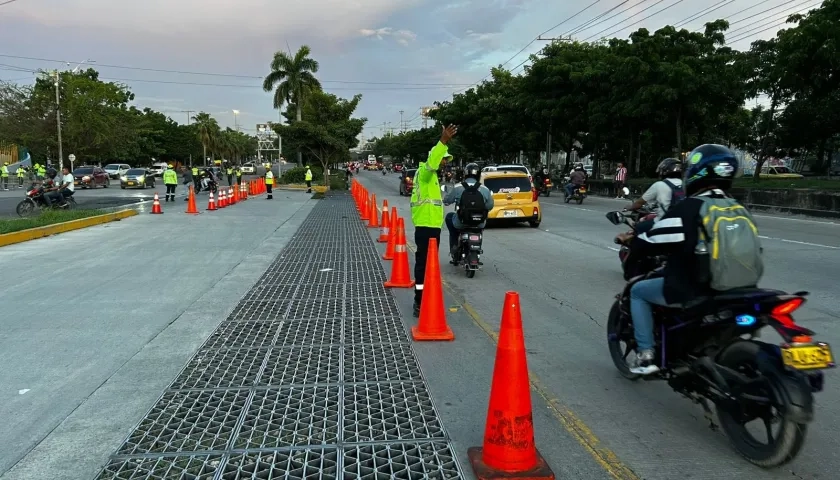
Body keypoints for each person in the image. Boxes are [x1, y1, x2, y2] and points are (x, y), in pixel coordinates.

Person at [617, 144, 749, 375]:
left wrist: (633, 242)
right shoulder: (738, 208)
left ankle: (646, 355)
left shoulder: (691, 208)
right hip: (740, 289)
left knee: (638, 291)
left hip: (696, 289)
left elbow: (652, 240)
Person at [410, 124, 458, 317]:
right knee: (423, 265)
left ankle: (427, 297)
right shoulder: (425, 174)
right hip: (425, 226)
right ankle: (419, 301)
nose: (445, 163)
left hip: (432, 226)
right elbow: (431, 163)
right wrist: (443, 141)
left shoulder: (433, 179)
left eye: (446, 160)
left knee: (430, 265)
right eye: (444, 160)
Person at [443, 162, 494, 260]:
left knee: (449, 217)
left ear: (465, 174)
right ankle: (477, 245)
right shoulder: (485, 189)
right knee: (480, 227)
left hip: (461, 222)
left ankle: (454, 247)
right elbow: (490, 206)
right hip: (479, 223)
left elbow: (447, 200)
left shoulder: (457, 187)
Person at [625, 158, 684, 235]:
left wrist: (630, 207)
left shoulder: (659, 185)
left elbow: (639, 203)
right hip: (682, 223)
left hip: (663, 222)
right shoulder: (686, 184)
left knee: (638, 227)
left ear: (664, 171)